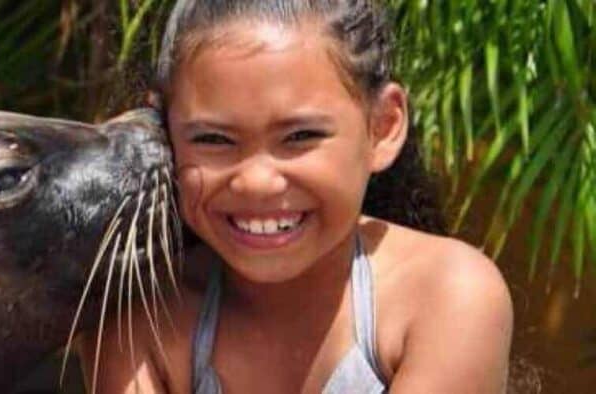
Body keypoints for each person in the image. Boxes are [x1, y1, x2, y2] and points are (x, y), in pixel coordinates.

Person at [78, 1, 513, 393]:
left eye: (300, 136)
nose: (257, 182)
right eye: (213, 139)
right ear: (163, 135)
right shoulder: (144, 320)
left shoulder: (445, 295)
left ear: (382, 126)